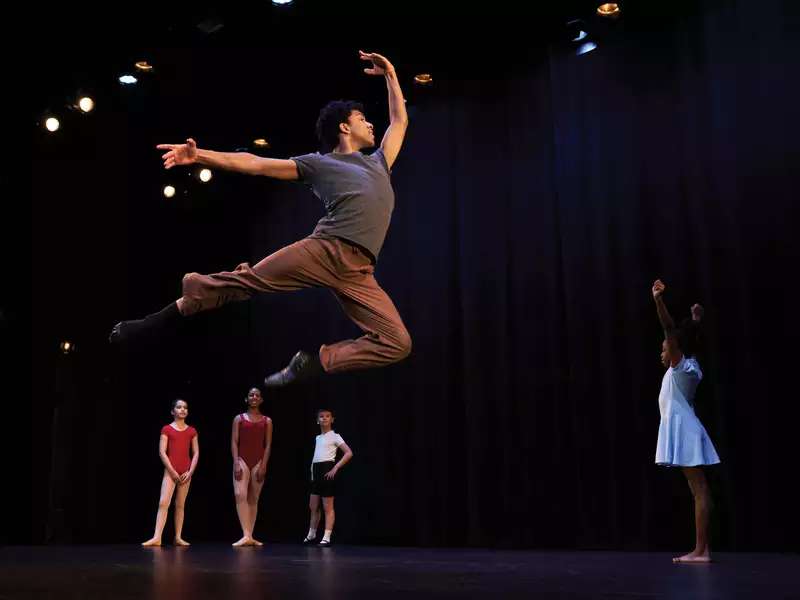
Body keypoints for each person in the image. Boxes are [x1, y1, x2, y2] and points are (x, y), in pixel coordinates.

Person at [109, 50, 412, 387]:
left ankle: (314, 363)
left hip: (360, 271)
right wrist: (200, 156)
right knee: (246, 282)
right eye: (361, 118)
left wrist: (391, 74)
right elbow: (254, 163)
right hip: (326, 249)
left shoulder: (379, 163)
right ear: (344, 126)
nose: (371, 123)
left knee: (398, 342)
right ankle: (153, 322)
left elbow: (399, 121)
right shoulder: (318, 164)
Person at [651, 279, 720, 563]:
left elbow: (669, 329)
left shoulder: (680, 368)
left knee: (699, 490)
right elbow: (685, 337)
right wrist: (695, 321)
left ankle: (701, 551)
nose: (662, 352)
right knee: (698, 490)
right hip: (685, 429)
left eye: (665, 348)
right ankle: (701, 550)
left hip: (685, 431)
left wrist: (658, 301)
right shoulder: (689, 366)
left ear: (676, 349)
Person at [142, 399, 199, 547]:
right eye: (179, 407)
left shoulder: (191, 430)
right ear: (172, 411)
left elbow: (196, 453)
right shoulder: (167, 429)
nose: (182, 410)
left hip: (186, 471)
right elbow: (162, 452)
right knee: (163, 503)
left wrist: (190, 471)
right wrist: (172, 471)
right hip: (171, 471)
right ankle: (157, 537)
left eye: (185, 407)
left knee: (180, 504)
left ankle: (178, 537)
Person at [303, 408, 353, 547]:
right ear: (317, 420)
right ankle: (312, 533)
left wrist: (335, 467)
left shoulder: (335, 436)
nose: (324, 418)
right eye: (321, 416)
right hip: (316, 472)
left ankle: (327, 536)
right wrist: (312, 472)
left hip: (326, 471)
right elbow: (315, 457)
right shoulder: (317, 438)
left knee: (327, 507)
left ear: (332, 419)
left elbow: (349, 453)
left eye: (327, 416)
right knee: (313, 506)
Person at [231, 387, 273, 547]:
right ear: (246, 399)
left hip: (258, 461)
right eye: (251, 395)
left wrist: (264, 465)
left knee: (253, 498)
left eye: (257, 395)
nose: (254, 397)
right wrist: (236, 462)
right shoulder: (239, 419)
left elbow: (268, 445)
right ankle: (246, 534)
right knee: (239, 493)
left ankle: (249, 535)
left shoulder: (267, 420)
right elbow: (234, 441)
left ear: (261, 400)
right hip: (242, 459)